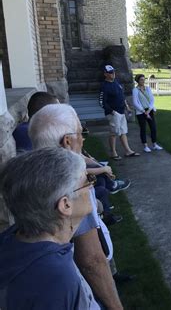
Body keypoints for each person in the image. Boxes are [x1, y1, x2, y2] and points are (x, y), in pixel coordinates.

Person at [29, 104, 124, 309]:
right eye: (82, 133)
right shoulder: (72, 185)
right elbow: (92, 261)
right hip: (78, 288)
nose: (83, 139)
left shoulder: (29, 179)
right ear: (68, 141)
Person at [0, 148, 100, 309]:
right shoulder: (55, 278)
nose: (91, 186)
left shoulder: (12, 239)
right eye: (86, 180)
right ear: (65, 205)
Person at [99, 64, 139, 160]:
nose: (113, 74)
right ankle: (113, 153)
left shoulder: (116, 83)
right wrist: (112, 111)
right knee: (114, 133)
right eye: (110, 73)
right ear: (105, 74)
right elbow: (101, 102)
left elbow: (122, 96)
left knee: (123, 132)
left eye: (113, 72)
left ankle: (128, 151)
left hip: (121, 112)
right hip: (114, 113)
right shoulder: (104, 86)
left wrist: (127, 107)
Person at [132, 74, 162, 153]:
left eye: (143, 79)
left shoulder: (148, 88)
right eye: (141, 79)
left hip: (149, 110)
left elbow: (152, 100)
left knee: (153, 127)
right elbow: (135, 102)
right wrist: (143, 111)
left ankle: (154, 144)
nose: (143, 81)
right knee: (143, 128)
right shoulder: (135, 90)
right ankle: (145, 146)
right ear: (137, 81)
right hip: (141, 112)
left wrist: (149, 110)